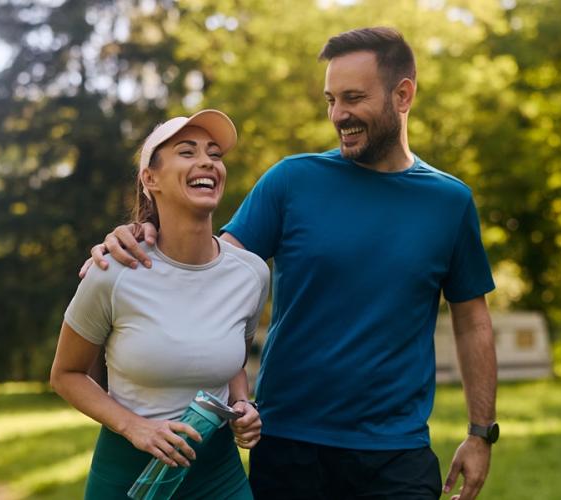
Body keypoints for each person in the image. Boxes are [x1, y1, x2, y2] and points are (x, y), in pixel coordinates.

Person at [85, 27, 498, 500]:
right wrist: (143, 231)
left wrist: (481, 432)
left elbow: (472, 322)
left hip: (395, 453)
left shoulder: (449, 202)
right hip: (289, 447)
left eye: (353, 98)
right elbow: (206, 269)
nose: (338, 115)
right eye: (330, 100)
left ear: (403, 95)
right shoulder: (291, 181)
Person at [53, 109, 269, 499]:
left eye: (214, 154)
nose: (206, 161)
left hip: (218, 476)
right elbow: (66, 374)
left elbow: (234, 357)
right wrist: (135, 427)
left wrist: (242, 405)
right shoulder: (112, 273)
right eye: (187, 152)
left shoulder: (251, 274)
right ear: (150, 179)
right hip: (130, 475)